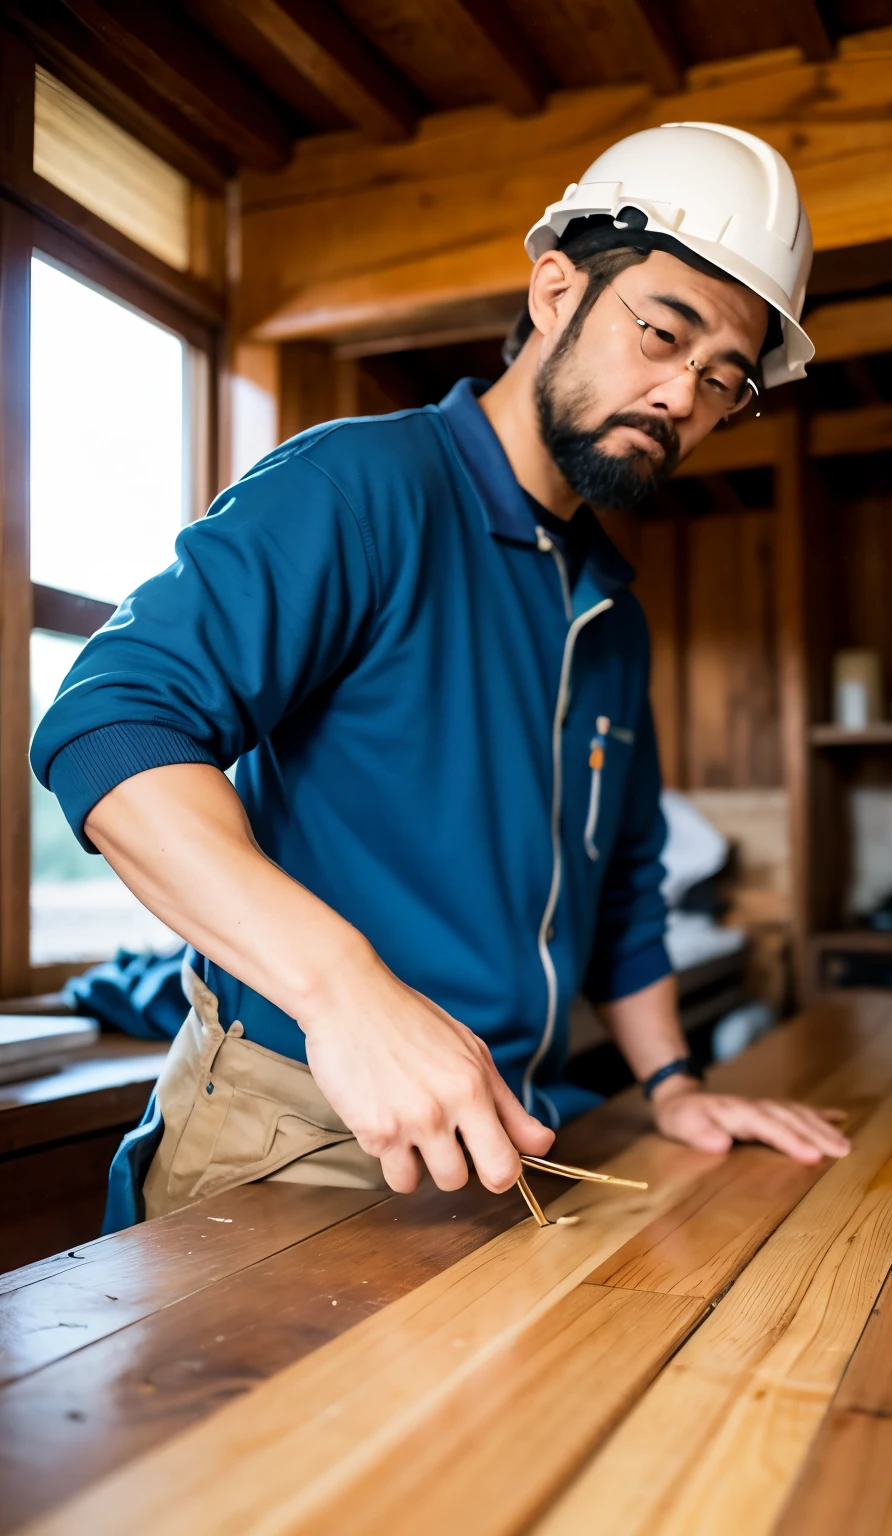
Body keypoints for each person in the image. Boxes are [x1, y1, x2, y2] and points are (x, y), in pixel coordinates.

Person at [31, 123, 850, 1230]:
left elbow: (623, 890)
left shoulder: (610, 612)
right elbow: (111, 724)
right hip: (297, 1131)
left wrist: (673, 1084)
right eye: (662, 333)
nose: (681, 396)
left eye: (722, 379)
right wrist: (344, 994)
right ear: (555, 291)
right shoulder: (359, 488)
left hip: (503, 1134)